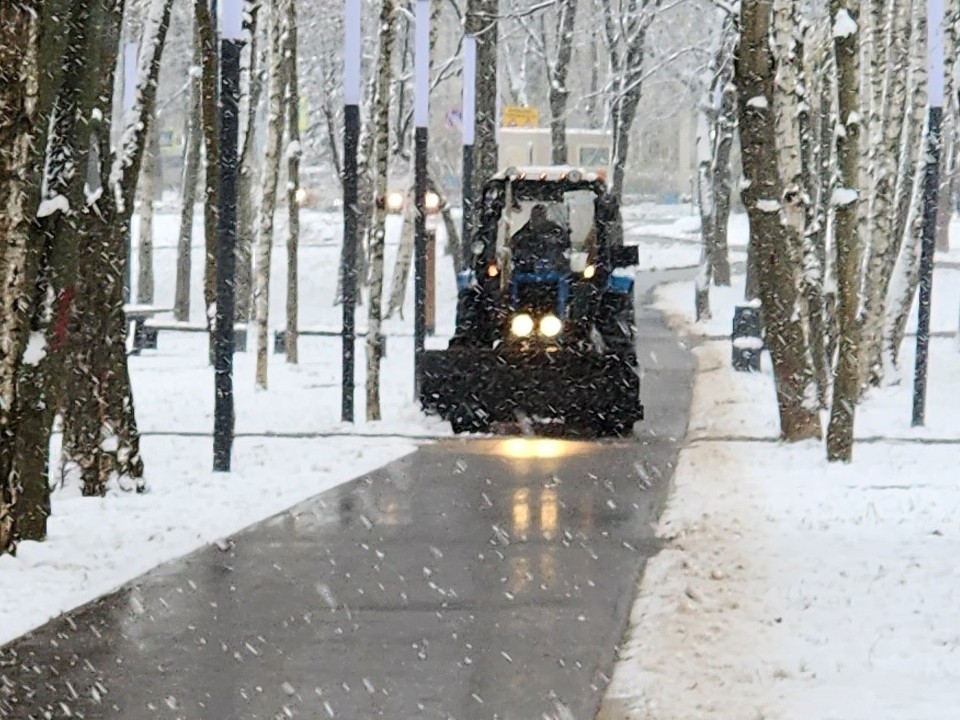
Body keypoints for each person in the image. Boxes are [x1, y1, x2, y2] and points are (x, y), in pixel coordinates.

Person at [511, 203, 567, 272]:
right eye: (534, 216)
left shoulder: (554, 229)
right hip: (527, 270)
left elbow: (566, 243)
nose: (537, 218)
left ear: (545, 216)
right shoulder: (525, 232)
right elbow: (514, 243)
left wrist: (556, 240)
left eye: (540, 215)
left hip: (553, 268)